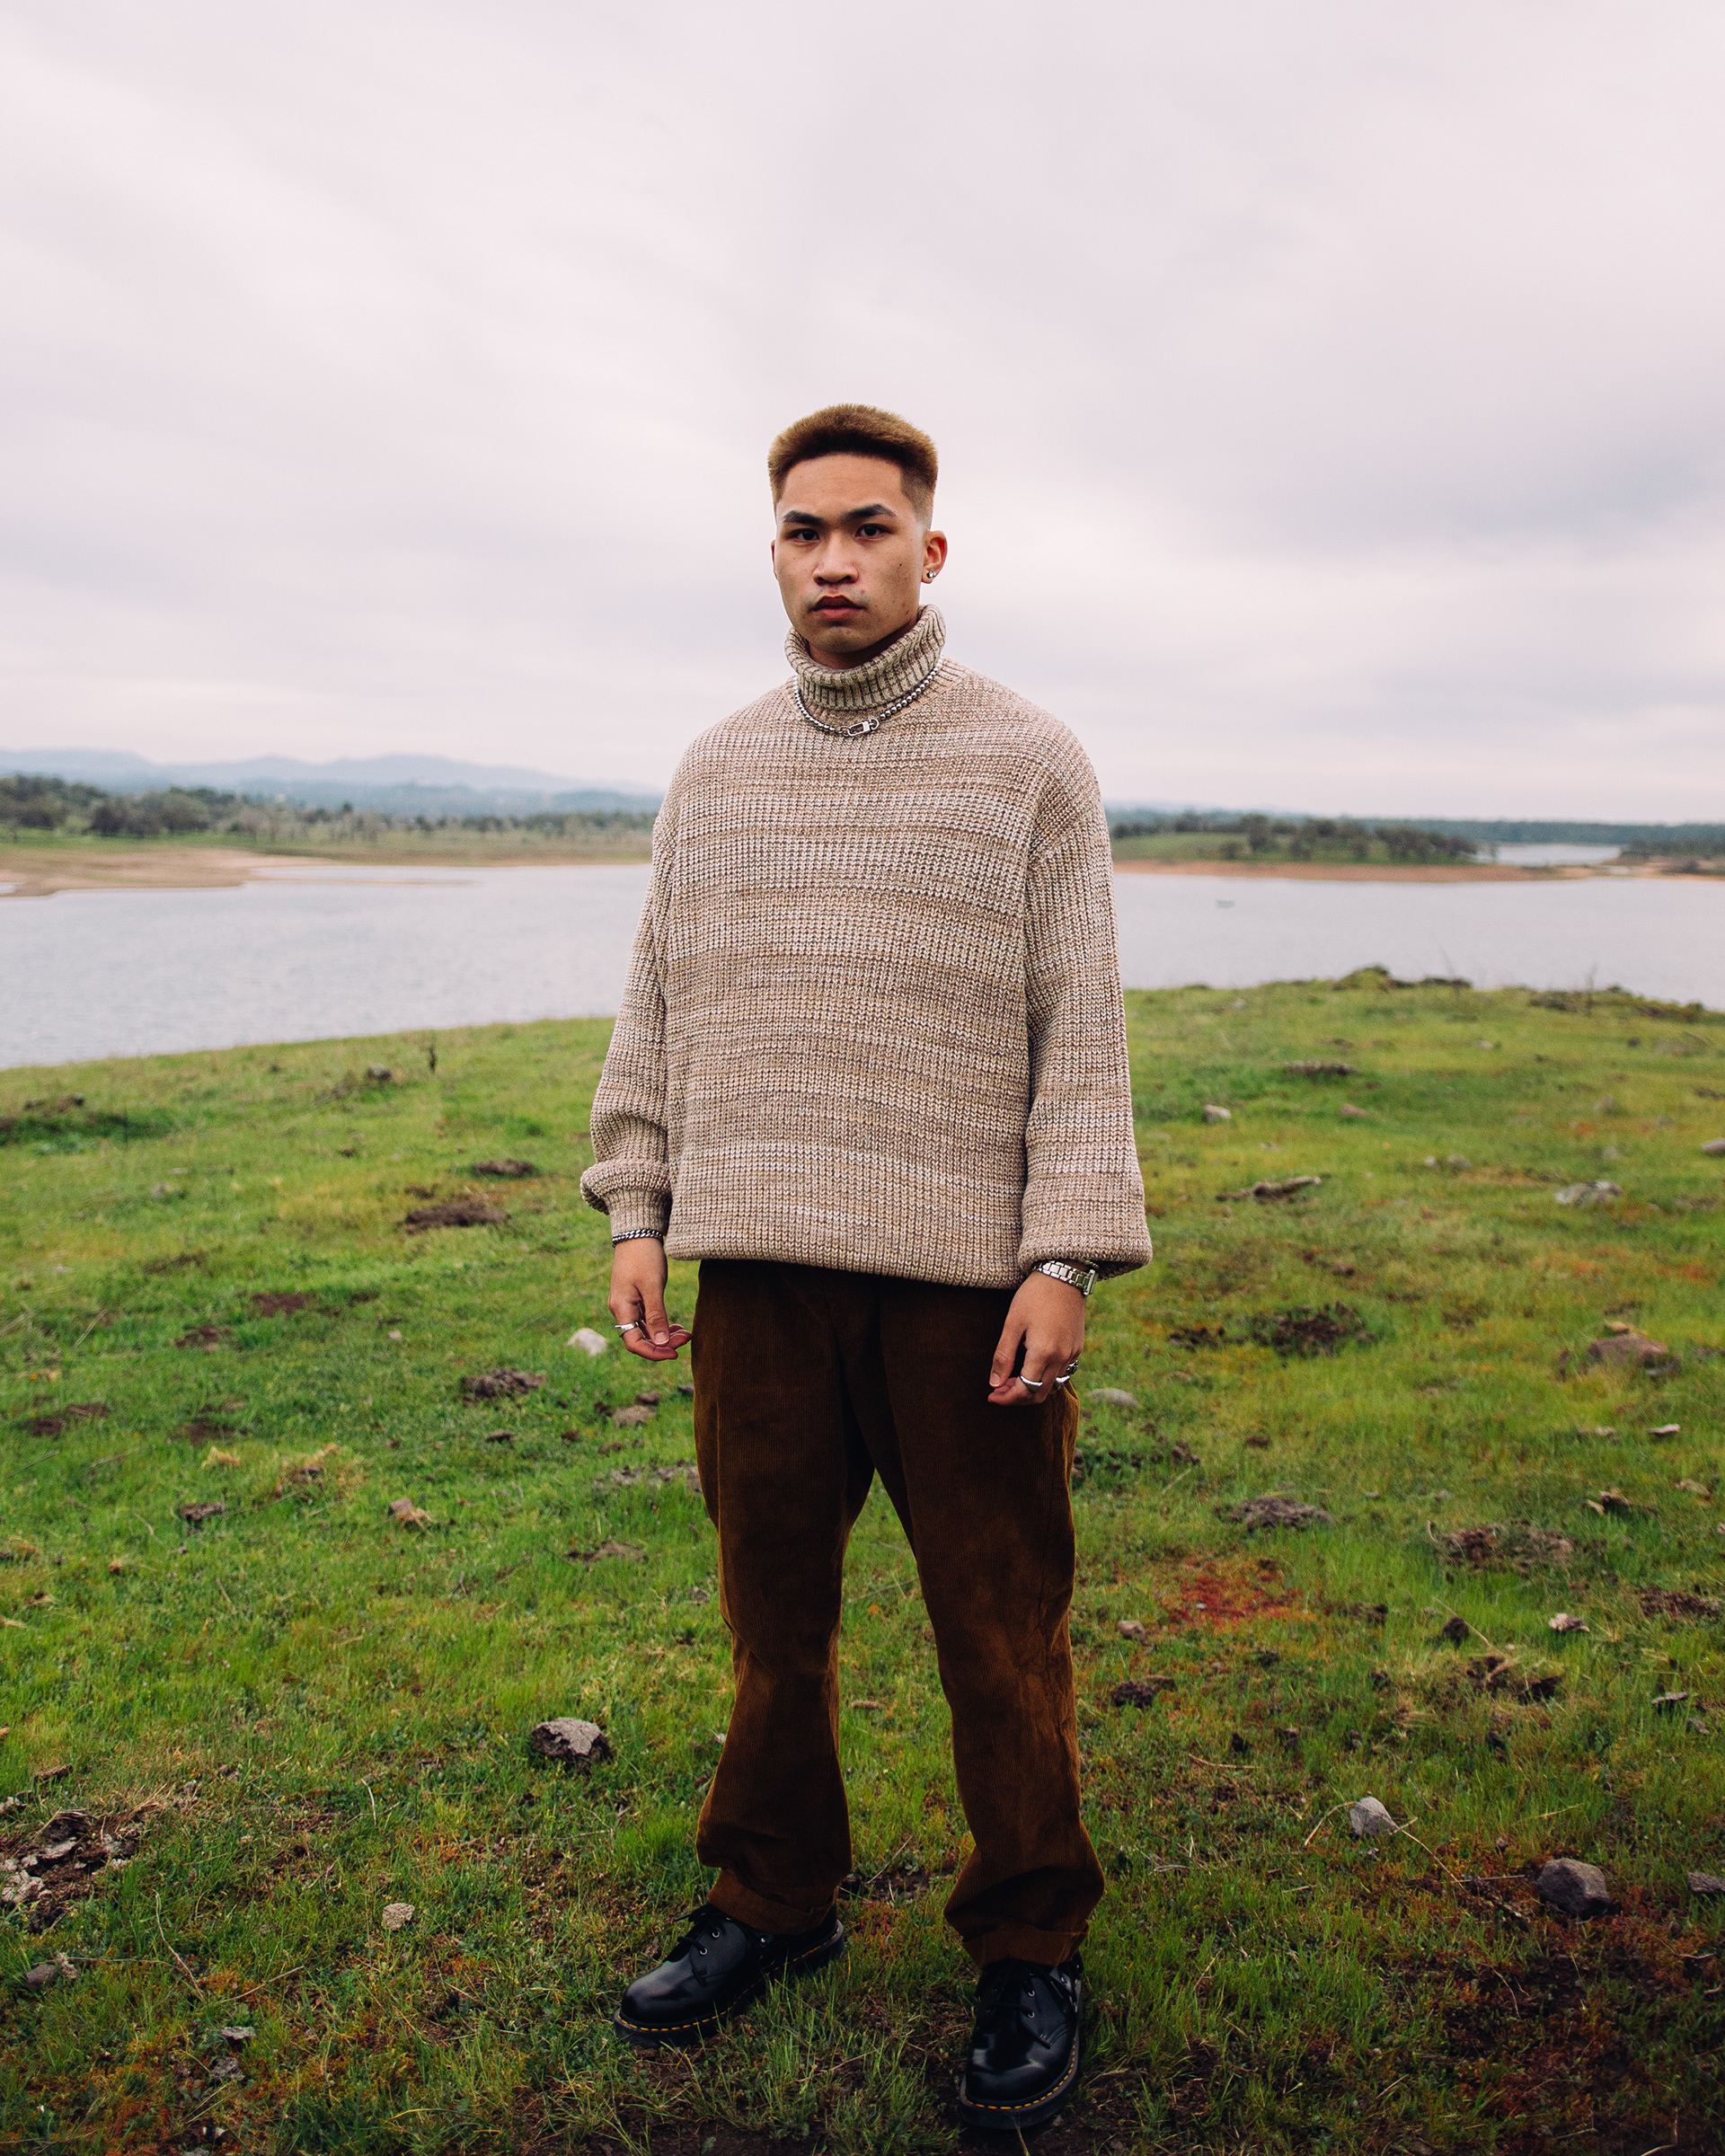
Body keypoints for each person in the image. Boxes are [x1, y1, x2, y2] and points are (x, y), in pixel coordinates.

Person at [579, 403, 1150, 2130]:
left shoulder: (1030, 761)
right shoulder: (717, 769)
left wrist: (1065, 1249)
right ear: (774, 550)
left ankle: (1029, 1941)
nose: (834, 560)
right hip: (759, 1278)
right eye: (804, 531)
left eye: (868, 529)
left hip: (965, 1290)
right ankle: (773, 1900)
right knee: (774, 1618)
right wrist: (636, 1202)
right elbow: (656, 997)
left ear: (929, 548)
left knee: (1000, 1625)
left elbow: (1082, 1025)